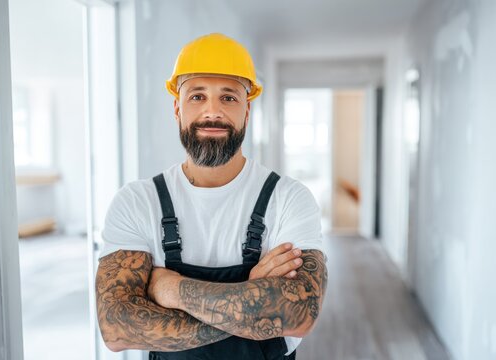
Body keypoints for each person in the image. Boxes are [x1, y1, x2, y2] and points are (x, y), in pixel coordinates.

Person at [95, 33, 328, 360]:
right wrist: (250, 297)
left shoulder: (289, 199)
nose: (213, 111)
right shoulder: (137, 202)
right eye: (197, 96)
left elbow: (299, 314)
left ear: (247, 111)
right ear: (177, 108)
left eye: (229, 97)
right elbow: (116, 328)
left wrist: (170, 290)